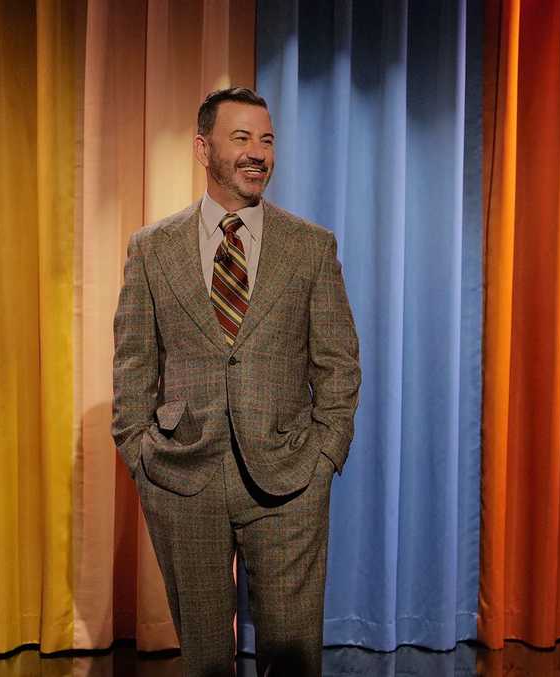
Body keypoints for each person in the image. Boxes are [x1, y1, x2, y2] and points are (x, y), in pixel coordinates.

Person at [112, 86, 361, 676]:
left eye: (267, 140)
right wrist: (140, 453)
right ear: (204, 149)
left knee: (293, 658)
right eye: (242, 138)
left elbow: (339, 362)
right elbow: (132, 363)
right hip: (183, 477)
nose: (258, 153)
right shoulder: (152, 249)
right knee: (204, 660)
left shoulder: (311, 247)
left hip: (290, 478)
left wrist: (325, 455)